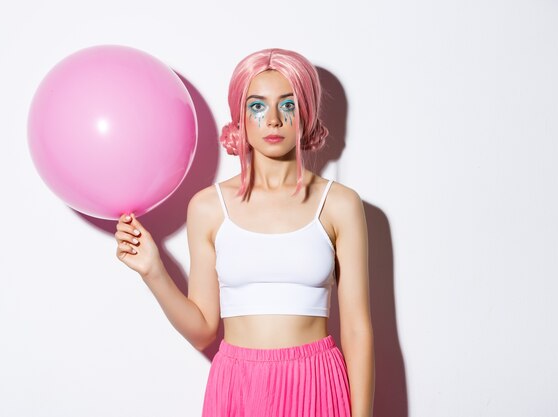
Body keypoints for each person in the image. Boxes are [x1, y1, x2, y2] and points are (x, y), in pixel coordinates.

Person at [114, 48, 374, 417]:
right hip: (238, 386)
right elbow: (203, 329)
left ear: (306, 114)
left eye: (288, 105)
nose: (273, 120)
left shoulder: (340, 205)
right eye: (257, 106)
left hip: (317, 381)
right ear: (241, 117)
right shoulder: (207, 208)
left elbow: (358, 330)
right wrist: (153, 271)